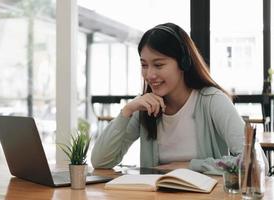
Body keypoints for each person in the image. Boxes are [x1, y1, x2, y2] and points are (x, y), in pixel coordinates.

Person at [91, 22, 268, 173]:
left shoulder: (212, 101)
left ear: (183, 63)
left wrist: (190, 166)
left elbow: (256, 163)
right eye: (144, 65)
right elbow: (100, 162)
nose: (150, 74)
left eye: (158, 65)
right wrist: (127, 111)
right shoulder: (145, 107)